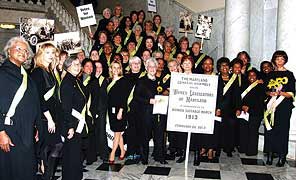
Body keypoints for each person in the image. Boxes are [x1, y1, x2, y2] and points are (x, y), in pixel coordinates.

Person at [0, 37, 42, 180]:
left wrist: (36, 126)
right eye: (18, 48)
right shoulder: (2, 73)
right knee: (11, 171)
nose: (22, 52)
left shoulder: (26, 77)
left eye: (25, 51)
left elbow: (33, 103)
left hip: (27, 131)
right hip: (9, 131)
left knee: (26, 170)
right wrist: (1, 132)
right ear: (9, 51)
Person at [31, 43, 63, 180]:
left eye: (52, 53)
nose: (51, 55)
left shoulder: (49, 71)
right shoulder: (38, 71)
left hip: (52, 115)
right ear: (41, 54)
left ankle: (45, 171)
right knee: (56, 145)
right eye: (47, 52)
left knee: (49, 145)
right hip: (45, 116)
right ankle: (47, 175)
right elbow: (39, 98)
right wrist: (49, 118)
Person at [133, 58, 168, 164]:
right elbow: (136, 97)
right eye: (150, 66)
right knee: (145, 136)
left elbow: (164, 93)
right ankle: (144, 158)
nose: (152, 68)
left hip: (158, 113)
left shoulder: (160, 81)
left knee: (159, 136)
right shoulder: (141, 80)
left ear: (157, 68)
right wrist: (149, 101)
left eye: (154, 66)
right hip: (145, 113)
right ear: (146, 68)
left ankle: (159, 157)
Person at [264, 50, 295, 167]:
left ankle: (282, 156)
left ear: (285, 60)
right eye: (277, 59)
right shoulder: (270, 74)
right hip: (270, 106)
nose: (279, 61)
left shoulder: (290, 74)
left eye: (282, 59)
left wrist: (281, 93)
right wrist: (269, 93)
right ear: (274, 60)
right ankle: (270, 155)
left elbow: (292, 93)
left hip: (283, 107)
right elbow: (265, 90)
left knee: (282, 132)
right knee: (270, 130)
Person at [60, 57, 86, 180]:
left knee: (75, 153)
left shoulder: (74, 80)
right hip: (71, 123)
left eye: (79, 64)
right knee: (70, 154)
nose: (78, 66)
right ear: (68, 66)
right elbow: (66, 107)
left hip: (76, 122)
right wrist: (70, 126)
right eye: (75, 64)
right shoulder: (67, 82)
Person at [107, 61, 129, 164]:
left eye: (117, 67)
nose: (115, 70)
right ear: (110, 69)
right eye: (113, 67)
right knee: (118, 132)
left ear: (120, 69)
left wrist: (120, 111)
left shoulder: (123, 81)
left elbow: (124, 98)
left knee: (117, 132)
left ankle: (112, 153)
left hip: (120, 110)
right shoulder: (109, 80)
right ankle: (123, 151)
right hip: (111, 110)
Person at [239, 69, 265, 156]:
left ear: (257, 76)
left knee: (253, 131)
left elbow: (260, 101)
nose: (252, 77)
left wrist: (249, 108)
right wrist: (242, 106)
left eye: (254, 75)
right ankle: (243, 147)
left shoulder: (261, 86)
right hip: (244, 112)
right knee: (244, 130)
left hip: (255, 112)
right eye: (250, 75)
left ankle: (252, 151)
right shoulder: (244, 86)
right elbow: (239, 98)